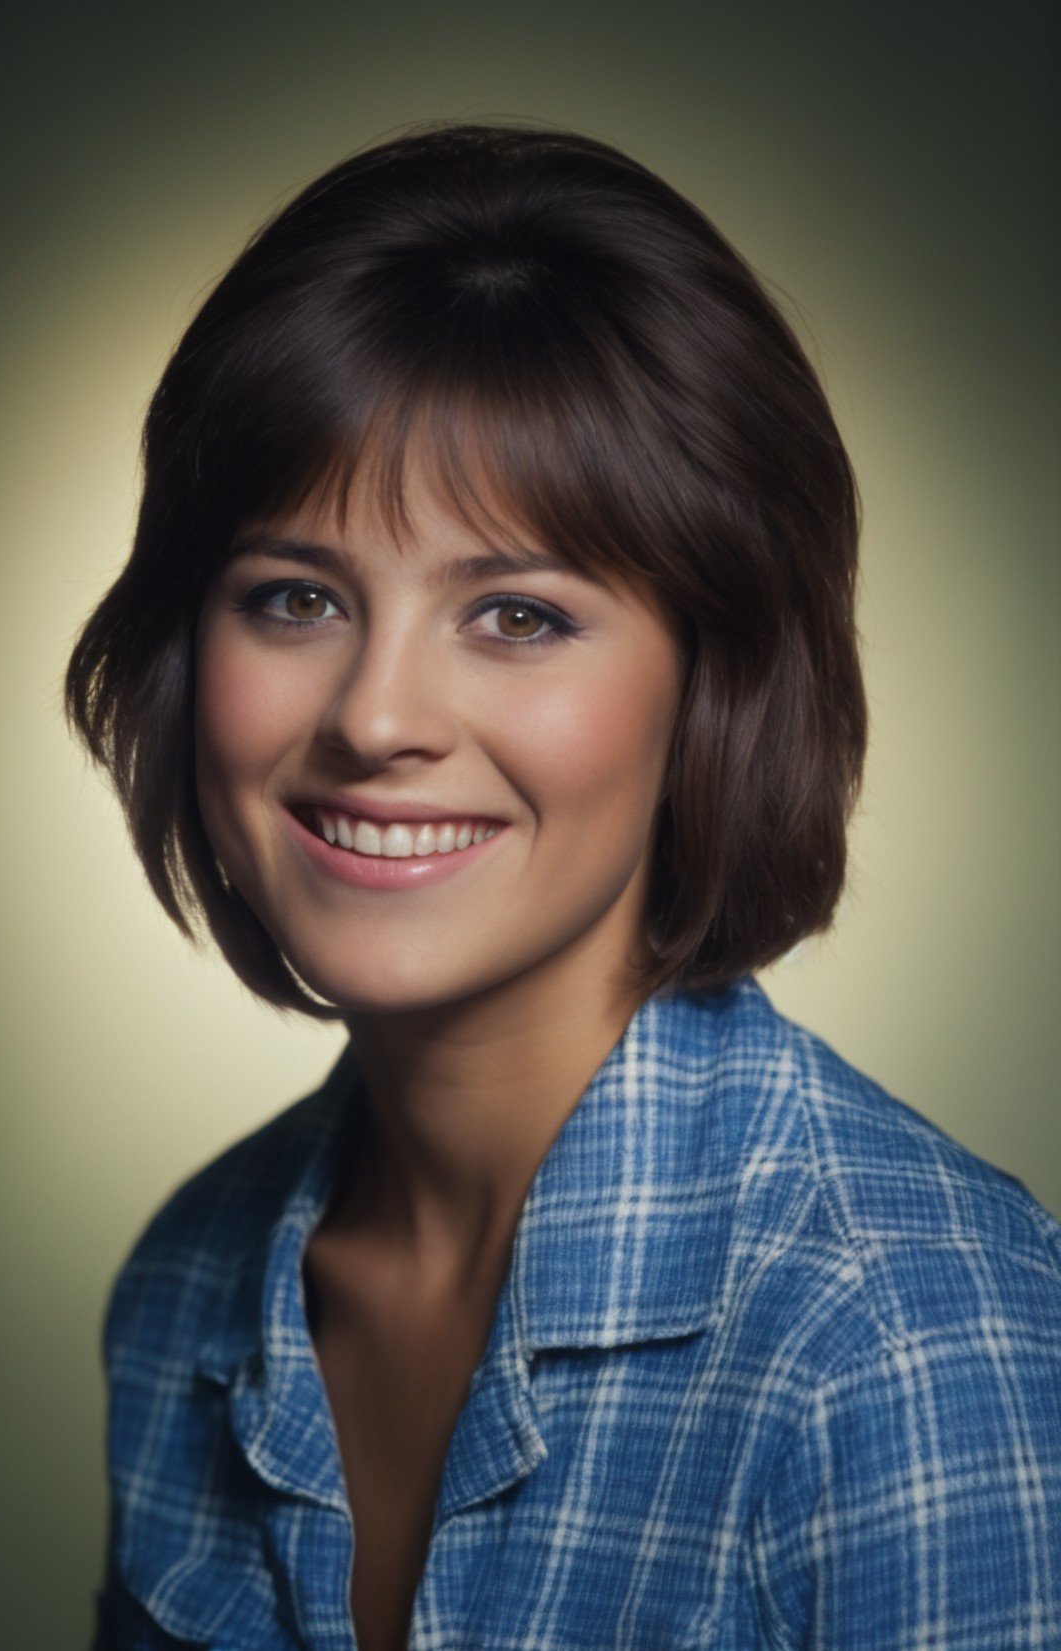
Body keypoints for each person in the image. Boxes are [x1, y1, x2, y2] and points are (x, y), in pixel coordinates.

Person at [65, 121, 1061, 1651]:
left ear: (712, 685)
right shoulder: (188, 1285)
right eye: (298, 597)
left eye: (517, 614)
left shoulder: (905, 1344)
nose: (377, 716)